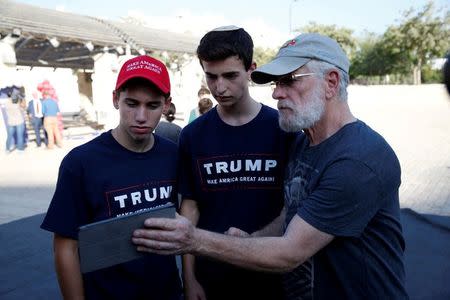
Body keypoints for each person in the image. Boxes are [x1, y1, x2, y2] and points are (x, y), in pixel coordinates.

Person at [132, 33, 408, 299]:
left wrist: (193, 239)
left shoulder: (358, 160)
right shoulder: (303, 143)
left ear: (331, 83)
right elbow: (291, 215)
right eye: (276, 83)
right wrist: (249, 240)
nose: (276, 93)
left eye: (289, 81)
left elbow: (289, 252)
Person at [41, 55, 182, 299]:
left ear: (166, 105)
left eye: (152, 106)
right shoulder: (81, 162)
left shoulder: (173, 155)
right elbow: (66, 246)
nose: (141, 116)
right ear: (116, 99)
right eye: (131, 103)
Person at [168, 25, 292, 300]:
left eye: (230, 75)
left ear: (251, 69)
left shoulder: (283, 129)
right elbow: (189, 210)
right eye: (211, 77)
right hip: (211, 276)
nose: (219, 87)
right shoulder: (193, 135)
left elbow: (293, 206)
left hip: (272, 275)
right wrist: (188, 279)